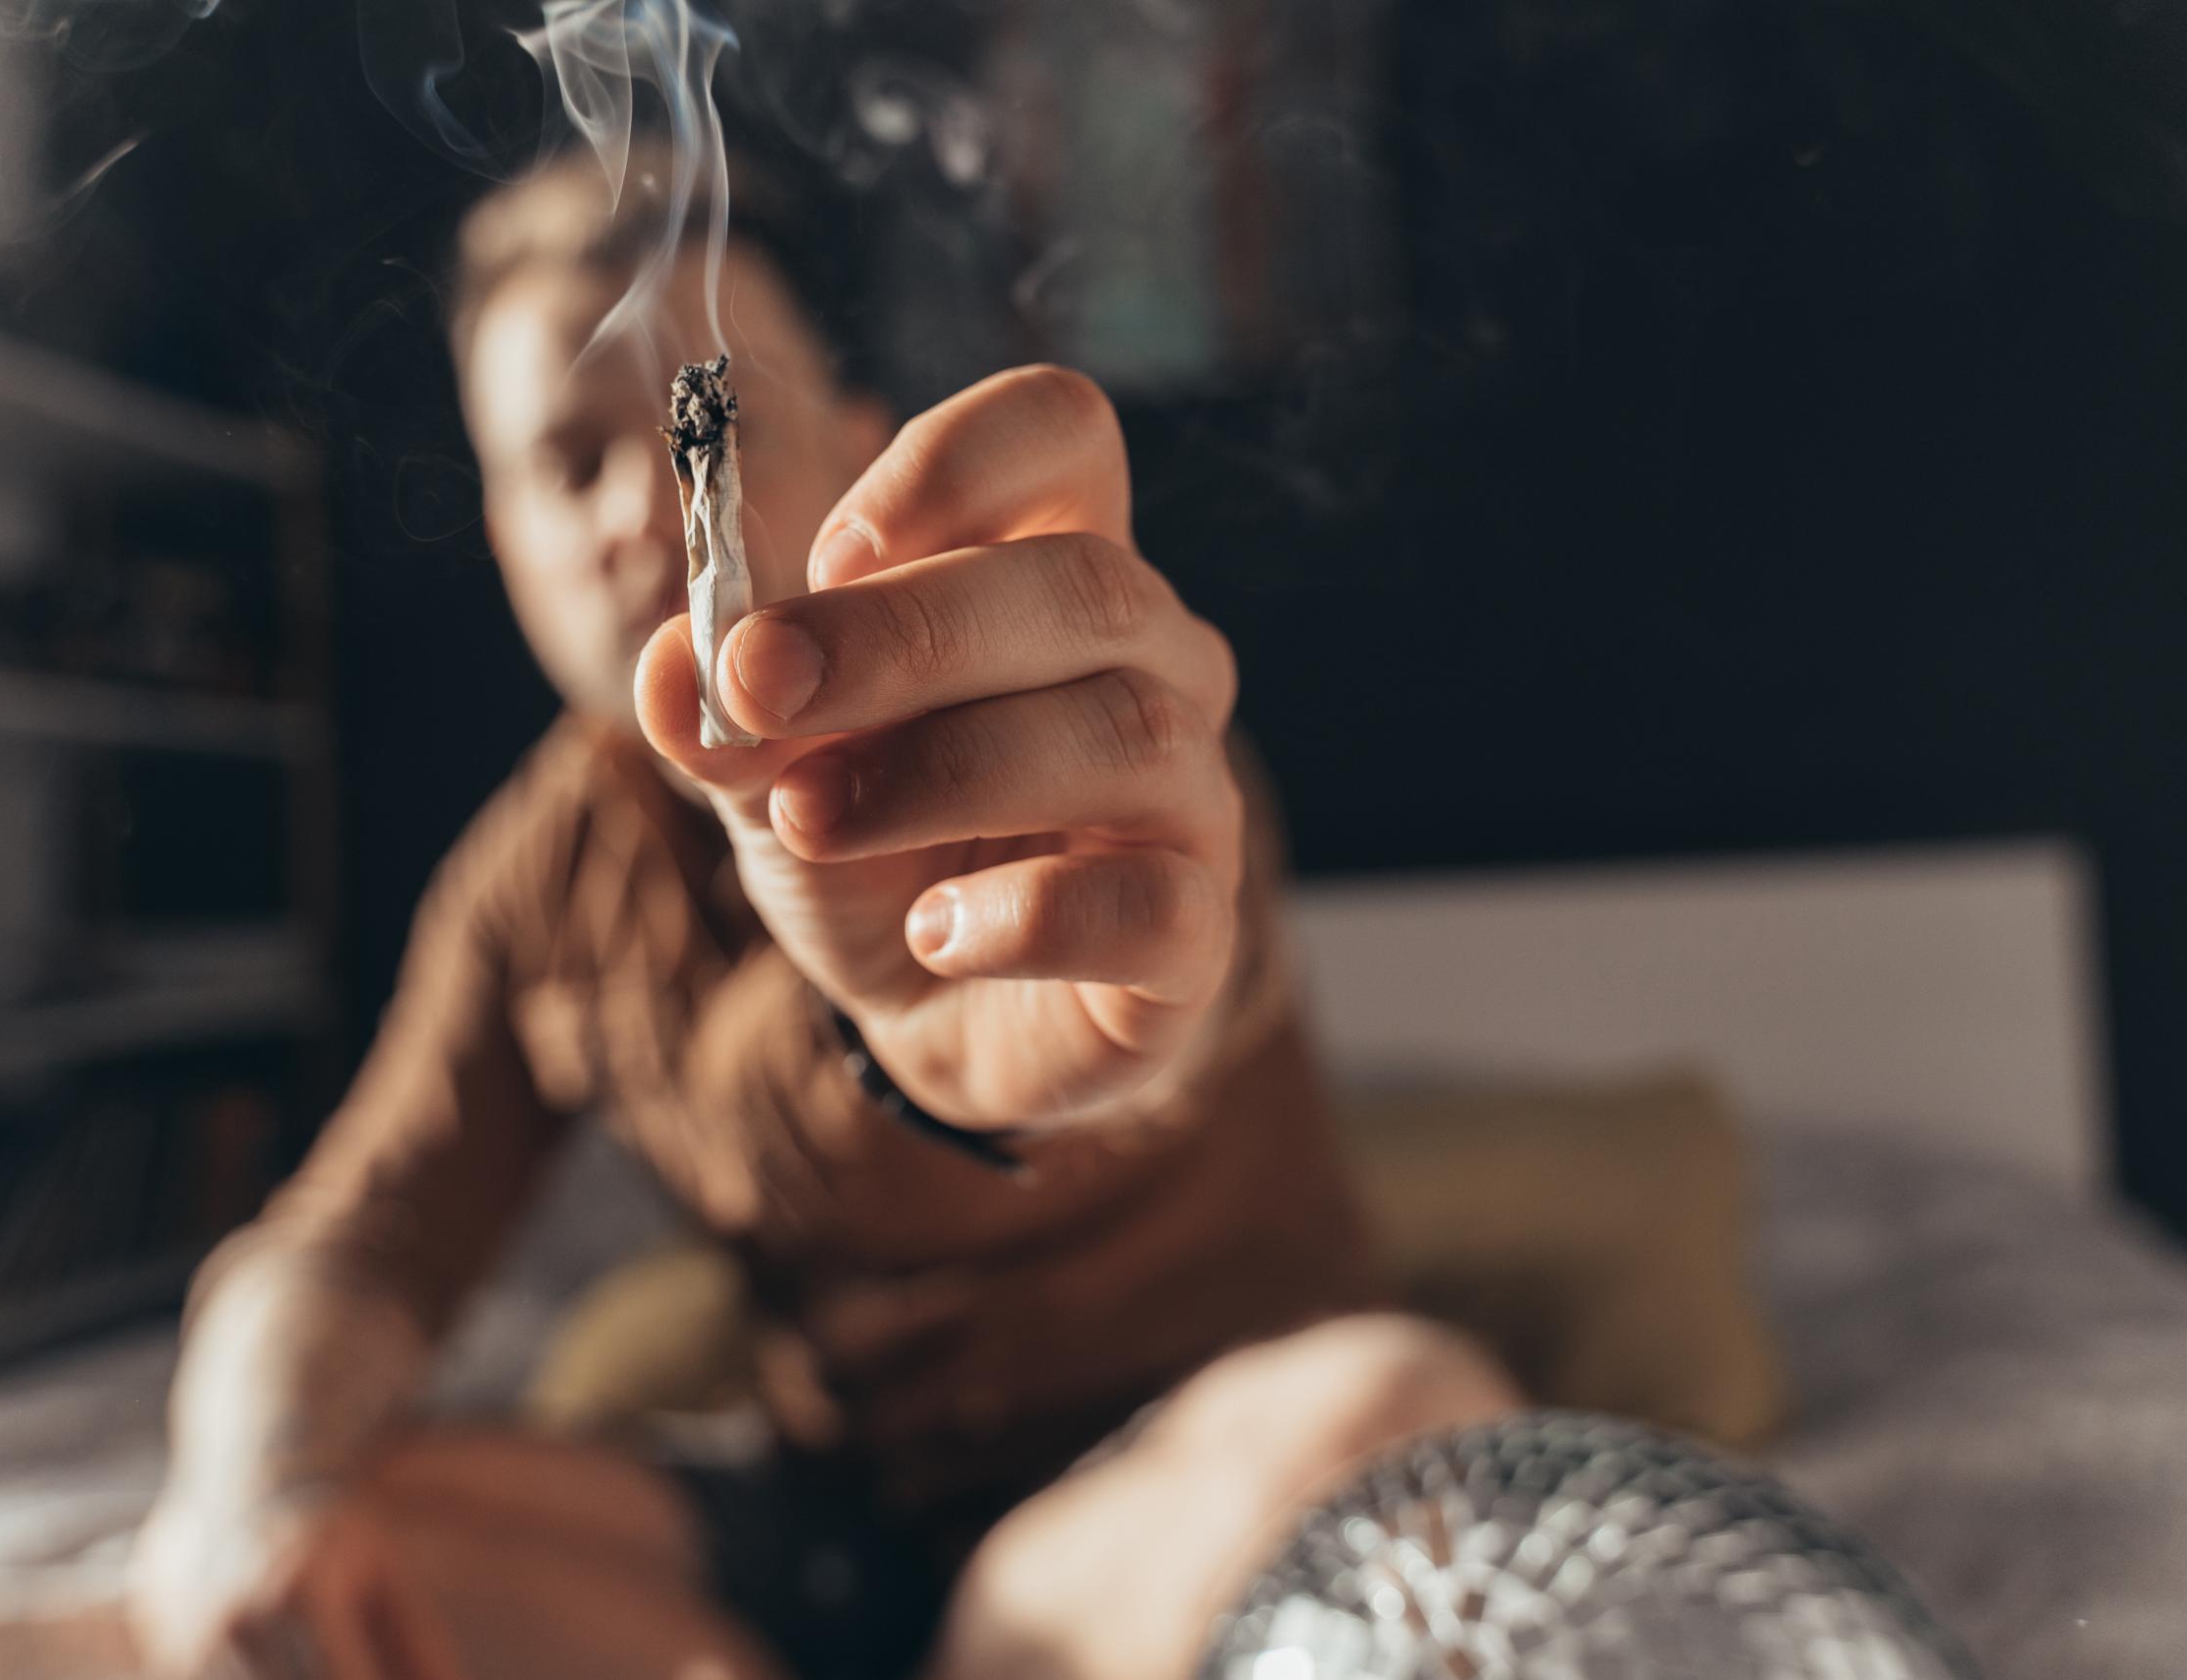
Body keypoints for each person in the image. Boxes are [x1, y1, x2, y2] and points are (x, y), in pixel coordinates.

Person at [127, 149, 1520, 1680]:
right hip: (833, 1539)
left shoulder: (1058, 716)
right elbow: (351, 1247)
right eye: (559, 464)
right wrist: (245, 1494)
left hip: (1194, 1474)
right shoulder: (537, 877)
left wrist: (1092, 1023)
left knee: (1408, 1428)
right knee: (322, 1526)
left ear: (861, 450)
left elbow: (1197, 968)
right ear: (504, 534)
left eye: (697, 431)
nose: (631, 515)